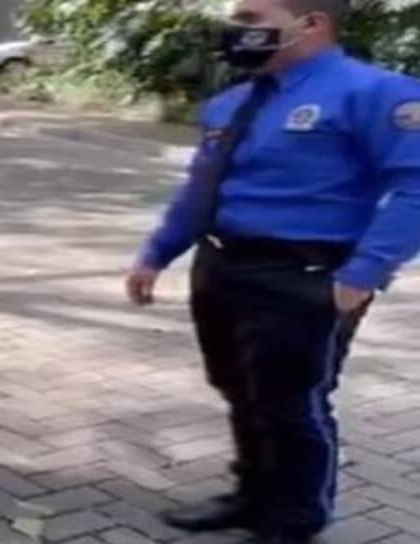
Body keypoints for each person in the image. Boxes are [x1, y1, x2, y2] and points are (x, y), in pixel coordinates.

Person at [126, 0, 419, 542]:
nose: (235, 30)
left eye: (251, 18)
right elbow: (200, 188)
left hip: (302, 273)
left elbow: (415, 187)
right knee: (237, 386)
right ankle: (252, 495)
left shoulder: (375, 93)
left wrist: (364, 273)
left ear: (311, 23)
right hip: (222, 264)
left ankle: (295, 518)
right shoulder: (231, 102)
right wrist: (157, 253)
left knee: (291, 402)